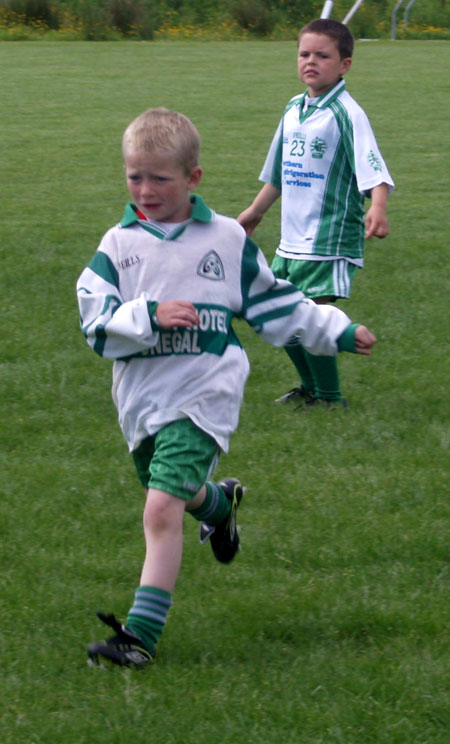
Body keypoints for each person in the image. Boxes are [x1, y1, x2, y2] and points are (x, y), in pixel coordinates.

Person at [77, 107, 376, 669]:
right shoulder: (118, 246)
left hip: (205, 393)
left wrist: (337, 329)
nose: (145, 189)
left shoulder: (225, 241)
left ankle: (139, 636)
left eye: (159, 178)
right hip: (143, 400)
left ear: (193, 178)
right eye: (134, 176)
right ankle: (218, 503)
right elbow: (95, 323)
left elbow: (278, 304)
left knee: (160, 507)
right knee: (170, 486)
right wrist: (147, 315)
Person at [238, 18, 393, 408]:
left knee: (313, 320)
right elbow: (279, 174)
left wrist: (377, 207)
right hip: (292, 240)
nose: (311, 61)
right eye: (304, 54)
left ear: (344, 65)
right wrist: (256, 211)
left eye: (322, 56)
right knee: (277, 314)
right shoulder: (293, 109)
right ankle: (311, 389)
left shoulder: (346, 113)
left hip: (329, 237)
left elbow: (373, 167)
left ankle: (329, 398)